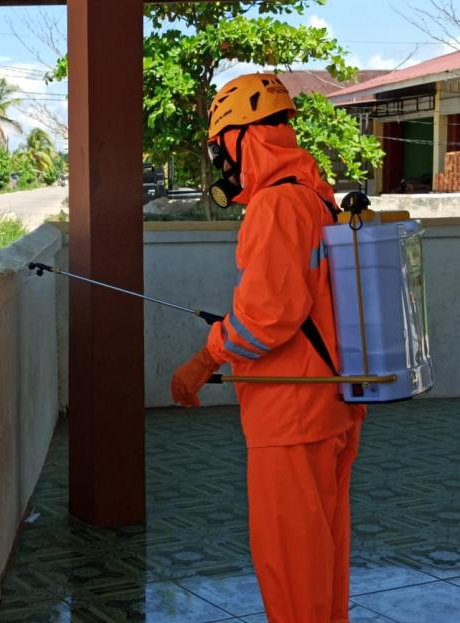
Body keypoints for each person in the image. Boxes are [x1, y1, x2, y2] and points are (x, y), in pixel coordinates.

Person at [170, 73, 366, 623]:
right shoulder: (314, 193)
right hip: (330, 402)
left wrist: (203, 359)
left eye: (220, 149)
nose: (222, 165)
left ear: (243, 139)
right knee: (322, 559)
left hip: (291, 412)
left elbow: (267, 318)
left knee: (292, 565)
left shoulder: (277, 205)